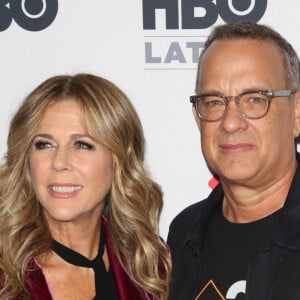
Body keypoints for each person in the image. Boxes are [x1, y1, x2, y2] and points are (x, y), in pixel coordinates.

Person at [0, 73, 171, 300]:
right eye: (44, 144)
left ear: (117, 160)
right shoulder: (6, 278)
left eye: (82, 144)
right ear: (26, 160)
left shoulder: (148, 264)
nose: (59, 162)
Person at [167, 22, 300, 300]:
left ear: (296, 113)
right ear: (197, 117)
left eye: (254, 99)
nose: (230, 123)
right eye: (214, 102)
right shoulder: (182, 237)